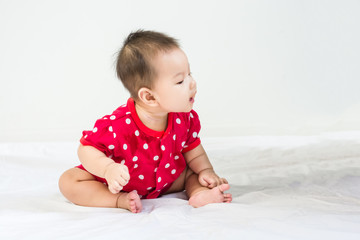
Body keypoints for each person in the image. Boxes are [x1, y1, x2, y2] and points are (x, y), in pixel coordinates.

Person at [59, 30, 232, 213]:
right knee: (68, 181)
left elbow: (194, 152)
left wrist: (206, 170)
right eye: (180, 81)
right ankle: (118, 200)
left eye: (190, 74)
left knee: (193, 172)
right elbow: (86, 148)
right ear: (149, 96)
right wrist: (108, 169)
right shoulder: (119, 125)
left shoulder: (184, 118)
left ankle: (198, 193)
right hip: (124, 182)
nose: (192, 83)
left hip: (169, 179)